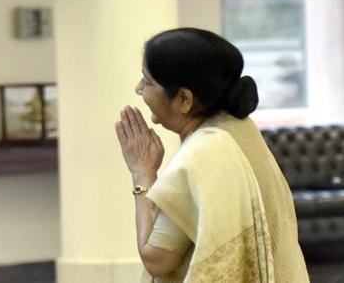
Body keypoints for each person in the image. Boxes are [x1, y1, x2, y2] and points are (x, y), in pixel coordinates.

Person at [115, 27, 309, 282]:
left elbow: (156, 259)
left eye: (148, 81)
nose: (139, 88)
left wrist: (142, 173)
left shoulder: (202, 155)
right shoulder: (239, 127)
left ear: (184, 99)